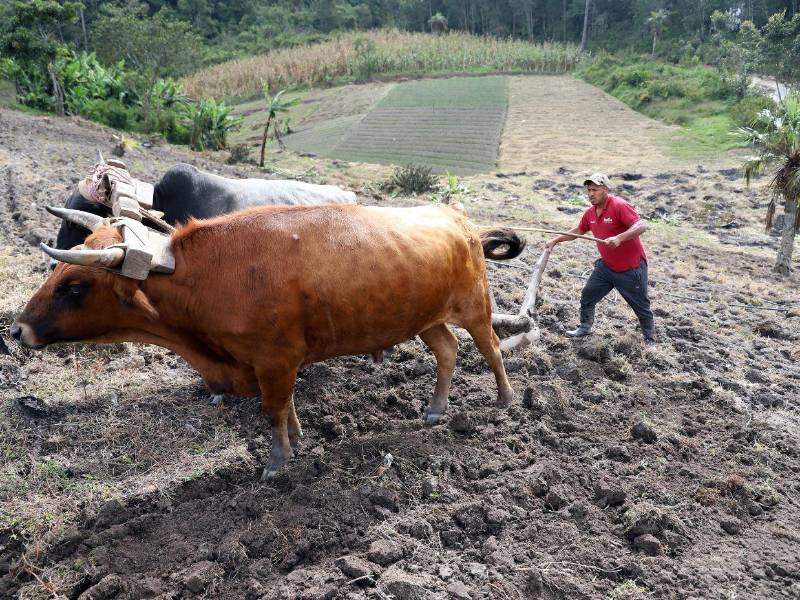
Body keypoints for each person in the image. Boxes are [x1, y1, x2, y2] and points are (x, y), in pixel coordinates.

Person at [545, 173, 655, 344]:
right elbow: (578, 231)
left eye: (595, 189)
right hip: (606, 268)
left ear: (605, 189)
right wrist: (555, 240)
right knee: (588, 295)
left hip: (631, 269)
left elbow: (641, 225)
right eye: (588, 190)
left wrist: (619, 238)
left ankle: (650, 340)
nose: (590, 194)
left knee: (641, 307)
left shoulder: (619, 205)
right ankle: (584, 327)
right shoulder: (590, 213)